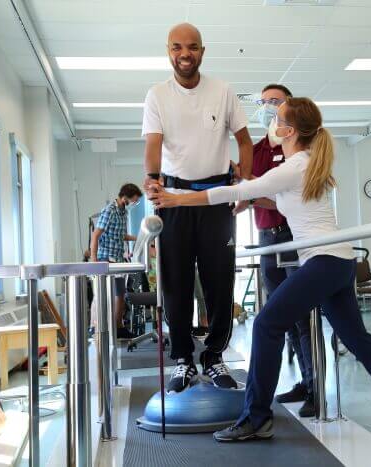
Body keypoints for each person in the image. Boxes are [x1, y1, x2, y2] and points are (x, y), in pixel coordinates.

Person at [148, 97, 371, 442]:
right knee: (358, 339)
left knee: (267, 324)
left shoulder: (295, 166)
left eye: (277, 117)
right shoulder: (306, 164)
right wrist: (247, 191)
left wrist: (177, 198)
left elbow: (240, 191)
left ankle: (256, 418)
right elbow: (269, 197)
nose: (271, 121)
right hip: (340, 262)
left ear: (290, 131)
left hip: (324, 260)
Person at [142, 23, 253, 393]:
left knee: (220, 281)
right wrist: (153, 178)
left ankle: (215, 357)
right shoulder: (157, 95)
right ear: (168, 50)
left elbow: (244, 141)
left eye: (191, 47)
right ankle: (184, 360)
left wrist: (244, 185)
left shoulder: (222, 91)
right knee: (175, 283)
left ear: (202, 51)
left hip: (216, 198)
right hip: (173, 201)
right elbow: (154, 144)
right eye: (177, 47)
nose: (184, 54)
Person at [233, 83, 315, 417]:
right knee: (283, 317)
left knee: (303, 316)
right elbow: (249, 190)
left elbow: (277, 195)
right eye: (264, 102)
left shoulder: (298, 149)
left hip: (295, 235)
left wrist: (250, 191)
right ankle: (303, 383)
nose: (268, 107)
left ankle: (316, 385)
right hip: (268, 236)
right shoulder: (256, 149)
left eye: (275, 102)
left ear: (290, 109)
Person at [90, 183, 142, 339]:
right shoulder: (109, 211)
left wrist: (139, 238)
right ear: (125, 197)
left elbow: (121, 235)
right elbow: (95, 235)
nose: (134, 203)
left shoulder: (122, 213)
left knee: (120, 294)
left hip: (117, 260)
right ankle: (96, 327)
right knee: (104, 295)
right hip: (105, 259)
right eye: (134, 200)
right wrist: (94, 261)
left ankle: (118, 327)